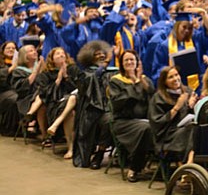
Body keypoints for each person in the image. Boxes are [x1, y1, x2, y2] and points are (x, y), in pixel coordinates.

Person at [108, 49, 155, 183]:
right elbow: (119, 103)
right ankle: (134, 168)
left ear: (137, 63)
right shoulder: (116, 81)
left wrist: (139, 81)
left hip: (145, 120)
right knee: (146, 128)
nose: (129, 62)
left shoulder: (145, 79)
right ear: (121, 64)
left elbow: (152, 96)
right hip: (124, 122)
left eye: (132, 60)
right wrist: (134, 84)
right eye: (126, 60)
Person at [72, 40, 115, 169]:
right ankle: (95, 154)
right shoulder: (85, 73)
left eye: (103, 53)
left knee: (112, 120)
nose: (101, 56)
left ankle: (104, 153)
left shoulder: (113, 72)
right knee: (101, 121)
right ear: (90, 57)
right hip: (91, 110)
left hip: (110, 108)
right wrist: (105, 63)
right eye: (97, 54)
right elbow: (90, 83)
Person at [37, 46, 80, 159]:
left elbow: (78, 88)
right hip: (55, 104)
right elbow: (45, 94)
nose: (61, 55)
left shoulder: (73, 69)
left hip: (76, 102)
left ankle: (56, 126)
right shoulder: (45, 74)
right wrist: (58, 80)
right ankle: (70, 147)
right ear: (52, 58)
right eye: (57, 54)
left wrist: (66, 76)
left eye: (63, 54)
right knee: (70, 114)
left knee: (73, 101)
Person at [148, 66, 198, 161]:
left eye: (176, 75)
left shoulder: (187, 91)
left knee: (198, 130)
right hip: (167, 136)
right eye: (170, 77)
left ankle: (192, 164)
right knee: (191, 131)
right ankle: (186, 165)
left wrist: (192, 105)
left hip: (186, 129)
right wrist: (177, 107)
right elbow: (157, 124)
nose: (175, 79)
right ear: (164, 81)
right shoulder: (158, 97)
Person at [0, 41, 19, 135]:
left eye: (13, 48)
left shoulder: (21, 62)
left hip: (17, 89)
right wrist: (11, 68)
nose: (11, 50)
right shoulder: (1, 63)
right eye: (8, 48)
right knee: (14, 99)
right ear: (3, 50)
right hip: (3, 91)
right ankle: (8, 129)